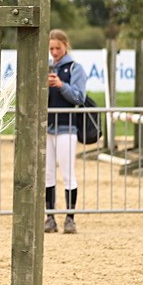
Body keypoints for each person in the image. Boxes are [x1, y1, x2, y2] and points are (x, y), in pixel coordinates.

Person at [45, 29, 88, 234]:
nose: (54, 52)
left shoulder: (75, 68)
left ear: (65, 46)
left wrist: (61, 86)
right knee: (48, 173)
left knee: (67, 172)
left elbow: (79, 97)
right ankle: (50, 216)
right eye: (51, 48)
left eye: (57, 48)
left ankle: (70, 217)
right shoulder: (46, 67)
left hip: (66, 127)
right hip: (48, 128)